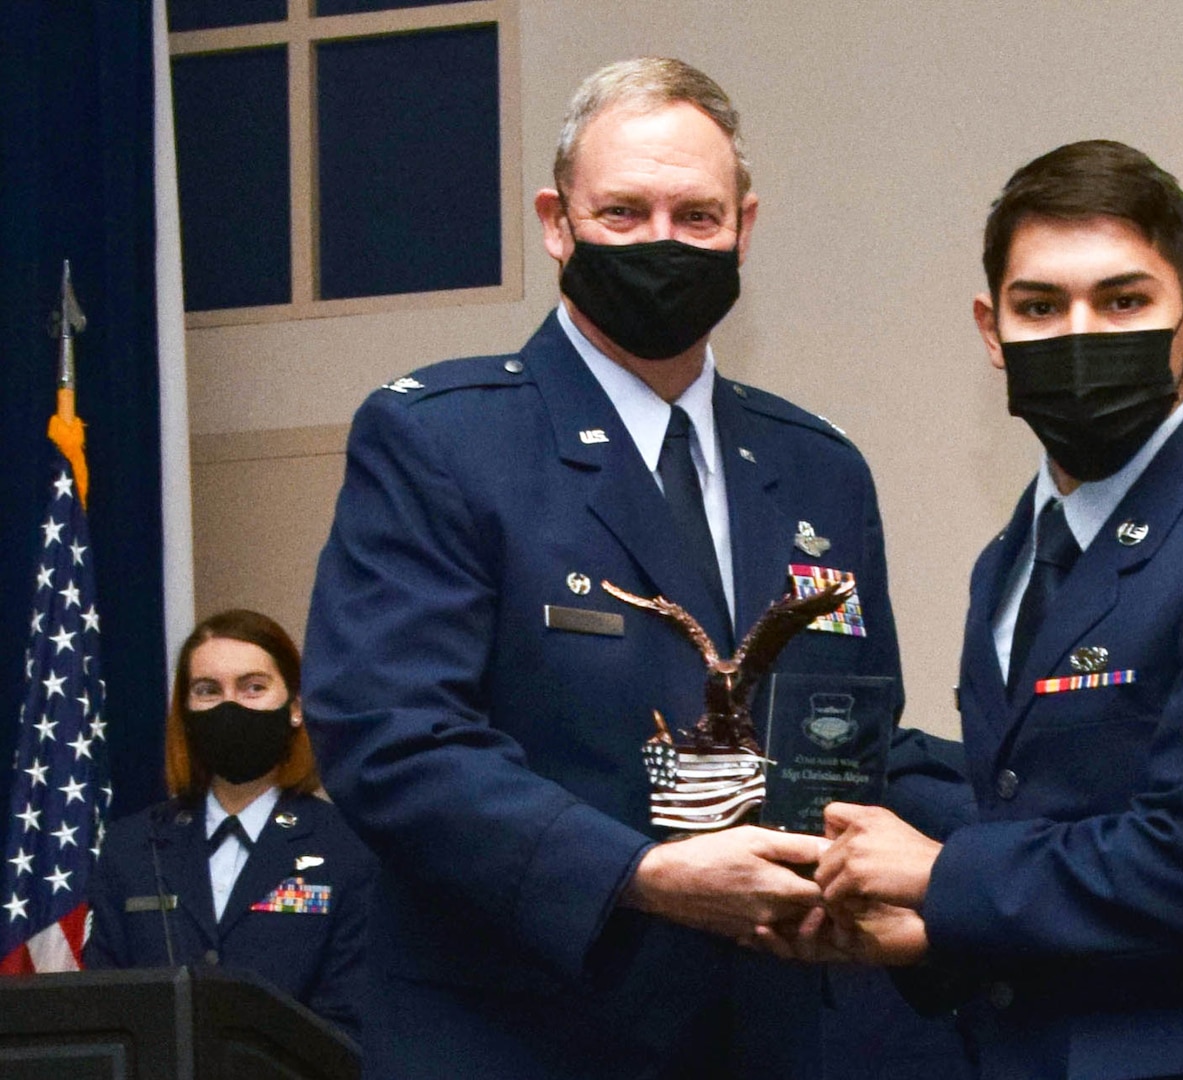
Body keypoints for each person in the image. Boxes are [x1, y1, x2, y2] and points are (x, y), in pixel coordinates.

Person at [302, 57, 967, 1080]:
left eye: (695, 217)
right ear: (555, 222)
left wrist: (1000, 864)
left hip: (773, 1032)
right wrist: (642, 875)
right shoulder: (442, 440)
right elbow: (391, 741)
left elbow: (851, 735)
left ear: (744, 226)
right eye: (622, 212)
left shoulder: (817, 470)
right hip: (521, 1034)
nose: (662, 242)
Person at [812, 140, 1183, 1079]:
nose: (1080, 334)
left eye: (1124, 300)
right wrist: (927, 932)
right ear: (990, 326)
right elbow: (1031, 818)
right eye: (1040, 307)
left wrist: (937, 876)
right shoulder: (1006, 561)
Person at [87, 609, 375, 1040]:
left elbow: (351, 1022)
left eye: (253, 687)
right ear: (185, 711)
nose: (230, 706)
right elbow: (102, 1013)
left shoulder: (348, 849)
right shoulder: (131, 847)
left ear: (295, 707)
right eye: (208, 691)